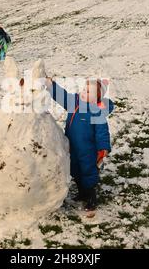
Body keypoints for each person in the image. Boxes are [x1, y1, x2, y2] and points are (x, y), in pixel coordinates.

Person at [45, 78, 114, 217]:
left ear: (96, 98)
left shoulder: (96, 112)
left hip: (88, 150)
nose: (83, 92)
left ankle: (91, 198)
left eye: (88, 92)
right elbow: (62, 96)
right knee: (75, 170)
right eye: (84, 89)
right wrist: (51, 86)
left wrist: (103, 147)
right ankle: (82, 193)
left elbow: (102, 131)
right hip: (73, 146)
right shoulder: (75, 103)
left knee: (87, 171)